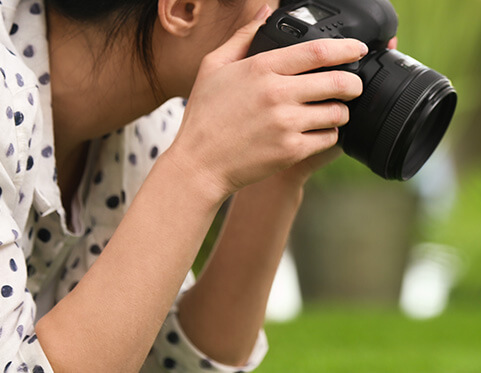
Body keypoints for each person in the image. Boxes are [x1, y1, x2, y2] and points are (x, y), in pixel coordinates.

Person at [0, 0, 389, 370]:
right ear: (185, 8)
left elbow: (165, 364)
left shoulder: (151, 122)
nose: (298, 11)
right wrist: (197, 167)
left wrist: (282, 175)